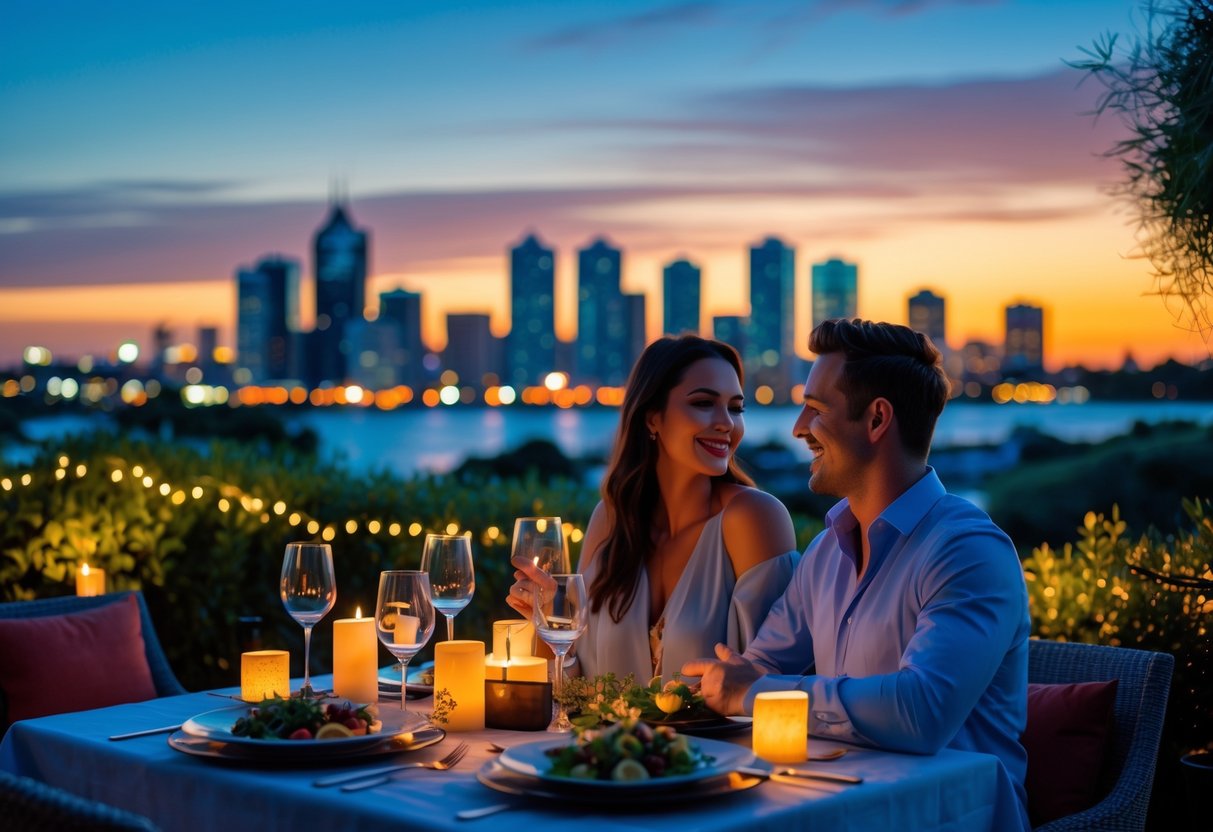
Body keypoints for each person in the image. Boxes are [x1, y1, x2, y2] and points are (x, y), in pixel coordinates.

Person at [683, 319, 1030, 832]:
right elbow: (755, 666)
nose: (798, 428)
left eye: (816, 410)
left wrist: (756, 693)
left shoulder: (968, 551)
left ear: (876, 420)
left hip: (948, 817)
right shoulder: (825, 553)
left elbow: (922, 711)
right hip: (834, 807)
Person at [506, 335, 798, 683]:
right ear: (652, 418)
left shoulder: (753, 518)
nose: (727, 423)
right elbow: (577, 685)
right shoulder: (611, 520)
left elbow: (776, 678)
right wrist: (546, 622)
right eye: (704, 403)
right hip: (610, 738)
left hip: (720, 740)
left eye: (736, 408)